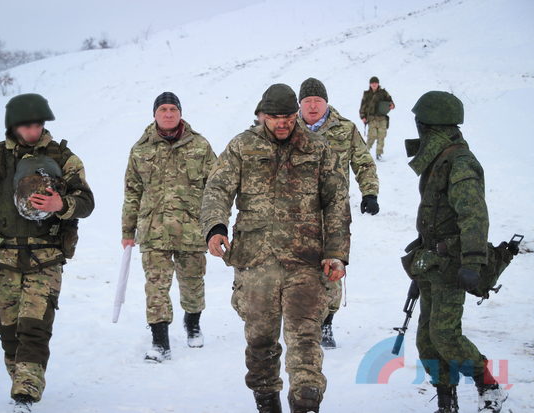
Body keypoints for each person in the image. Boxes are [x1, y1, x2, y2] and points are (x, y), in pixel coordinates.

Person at [200, 84, 351, 413]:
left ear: (296, 114)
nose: (282, 123)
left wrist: (335, 252)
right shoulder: (243, 146)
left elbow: (337, 203)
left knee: (305, 333)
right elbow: (218, 188)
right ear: (263, 115)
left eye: (287, 117)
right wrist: (215, 227)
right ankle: (267, 402)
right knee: (260, 339)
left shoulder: (319, 148)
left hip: (306, 257)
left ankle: (306, 400)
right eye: (274, 117)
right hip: (257, 258)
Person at [0, 93, 95, 413]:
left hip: (46, 256)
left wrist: (62, 205)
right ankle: (22, 376)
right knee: (8, 329)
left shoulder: (63, 156)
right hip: (2, 256)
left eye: (38, 125)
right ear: (13, 125)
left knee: (34, 327)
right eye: (26, 125)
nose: (33, 131)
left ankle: (25, 395)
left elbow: (86, 201)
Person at [403, 91, 508, 413]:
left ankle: (489, 384)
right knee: (427, 340)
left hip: (452, 265)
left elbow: (474, 215)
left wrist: (474, 261)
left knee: (446, 336)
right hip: (432, 263)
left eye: (420, 123)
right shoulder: (440, 158)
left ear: (430, 125)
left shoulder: (459, 162)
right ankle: (446, 400)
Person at [121, 92, 216, 363]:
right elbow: (132, 192)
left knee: (193, 284)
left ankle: (193, 321)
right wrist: (128, 232)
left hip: (192, 229)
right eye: (162, 109)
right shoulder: (140, 149)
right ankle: (160, 341)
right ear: (154, 114)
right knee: (156, 286)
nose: (168, 113)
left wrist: (214, 225)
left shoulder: (200, 146)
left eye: (173, 108)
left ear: (180, 113)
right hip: (154, 230)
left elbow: (217, 187)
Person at [298, 77, 379, 349]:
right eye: (307, 101)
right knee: (295, 271)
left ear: (326, 102)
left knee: (331, 269)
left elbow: (364, 162)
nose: (312, 106)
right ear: (299, 104)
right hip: (293, 216)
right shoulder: (286, 128)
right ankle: (301, 325)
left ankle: (327, 324)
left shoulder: (345, 129)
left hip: (334, 214)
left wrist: (370, 193)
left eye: (317, 101)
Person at [359, 76, 394, 161]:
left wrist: (391, 105)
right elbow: (363, 106)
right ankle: (365, 153)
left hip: (382, 118)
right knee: (372, 136)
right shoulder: (367, 94)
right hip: (371, 118)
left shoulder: (383, 93)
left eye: (376, 83)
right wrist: (363, 117)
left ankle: (379, 154)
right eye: (372, 83)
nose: (374, 84)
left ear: (378, 84)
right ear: (370, 84)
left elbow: (390, 101)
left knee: (381, 136)